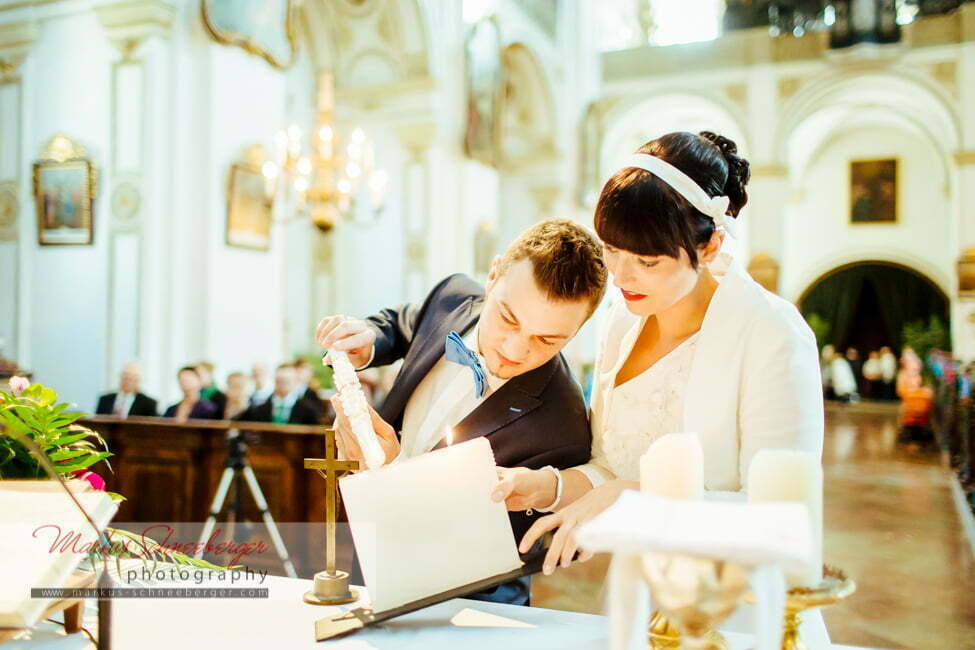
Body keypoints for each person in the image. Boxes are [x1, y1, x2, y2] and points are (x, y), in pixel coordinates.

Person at [492, 131, 824, 576]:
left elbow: (783, 517)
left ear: (710, 246)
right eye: (612, 250)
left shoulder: (770, 334)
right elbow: (611, 467)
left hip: (735, 597)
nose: (622, 276)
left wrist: (640, 498)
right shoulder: (624, 320)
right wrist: (542, 487)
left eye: (648, 262)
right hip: (643, 589)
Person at [316, 218, 608, 606]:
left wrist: (393, 469)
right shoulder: (451, 296)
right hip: (364, 561)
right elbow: (405, 323)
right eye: (507, 318)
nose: (515, 350)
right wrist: (369, 338)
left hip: (463, 609)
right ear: (492, 275)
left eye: (547, 339)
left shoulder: (563, 425)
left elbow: (489, 562)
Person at [235, 363, 322, 425]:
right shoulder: (261, 408)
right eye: (279, 381)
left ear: (295, 382)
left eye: (287, 381)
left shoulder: (308, 409)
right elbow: (239, 422)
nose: (282, 385)